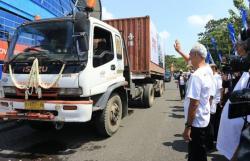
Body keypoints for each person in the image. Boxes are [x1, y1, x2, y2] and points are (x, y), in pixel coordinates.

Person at [174, 41, 214, 161]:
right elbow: (189, 61)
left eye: (191, 54)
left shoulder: (197, 76)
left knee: (196, 155)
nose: (189, 56)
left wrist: (188, 127)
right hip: (204, 119)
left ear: (197, 55)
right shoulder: (208, 69)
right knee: (200, 153)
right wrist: (179, 51)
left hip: (196, 123)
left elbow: (194, 103)